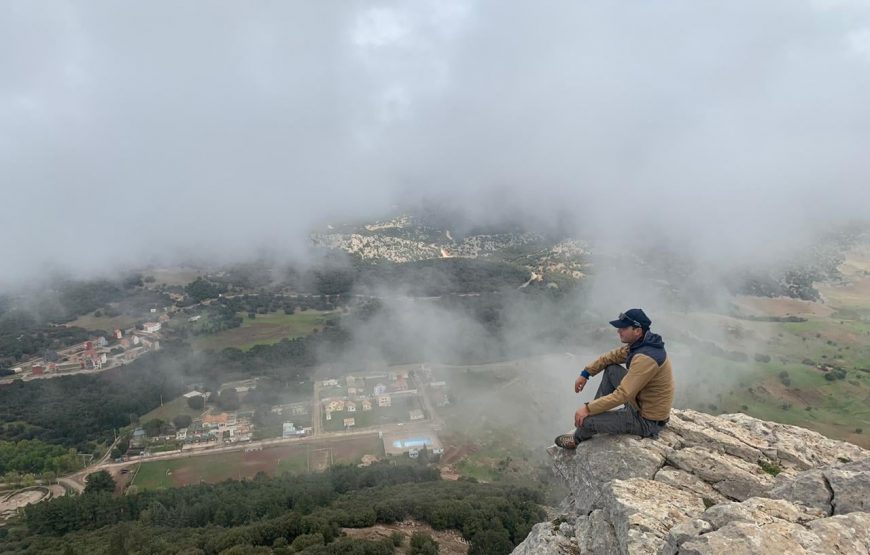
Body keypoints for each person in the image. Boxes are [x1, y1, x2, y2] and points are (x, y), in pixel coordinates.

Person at [554, 308, 674, 449]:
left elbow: (623, 395)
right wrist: (586, 373)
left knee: (586, 420)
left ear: (637, 330)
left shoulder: (645, 358)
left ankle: (577, 438)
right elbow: (611, 357)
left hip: (646, 420)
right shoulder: (641, 344)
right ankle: (596, 415)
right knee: (612, 370)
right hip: (641, 402)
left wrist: (587, 409)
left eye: (623, 328)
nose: (619, 331)